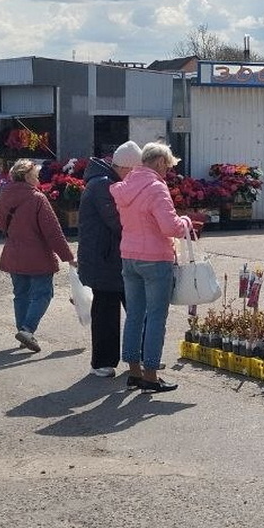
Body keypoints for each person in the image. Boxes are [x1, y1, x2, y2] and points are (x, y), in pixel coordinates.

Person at [110, 142, 191, 393]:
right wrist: (185, 221)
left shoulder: (125, 187)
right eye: (167, 165)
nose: (167, 171)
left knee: (134, 315)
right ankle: (152, 375)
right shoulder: (156, 188)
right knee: (156, 317)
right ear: (158, 162)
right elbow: (170, 227)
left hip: (129, 256)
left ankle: (134, 372)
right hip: (155, 258)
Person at [0, 159, 76, 353]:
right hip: (37, 255)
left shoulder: (2, 197)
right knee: (43, 293)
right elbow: (53, 232)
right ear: (28, 177)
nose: (39, 178)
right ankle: (27, 330)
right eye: (36, 175)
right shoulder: (37, 199)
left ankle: (23, 333)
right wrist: (68, 257)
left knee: (20, 294)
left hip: (13, 253)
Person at [78, 141, 142, 379]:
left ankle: (140, 357)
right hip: (104, 259)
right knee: (107, 312)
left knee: (132, 308)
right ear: (127, 168)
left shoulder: (106, 181)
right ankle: (102, 362)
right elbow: (118, 222)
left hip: (111, 257)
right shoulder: (103, 185)